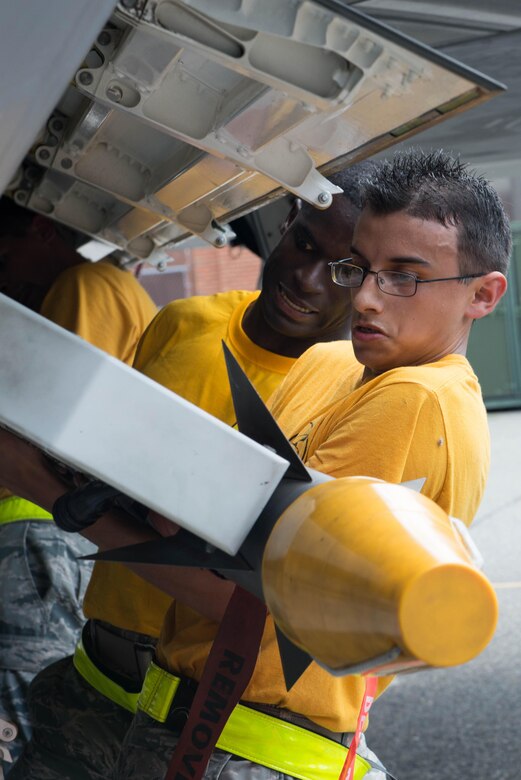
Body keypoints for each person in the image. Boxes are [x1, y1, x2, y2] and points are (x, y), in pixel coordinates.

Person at [107, 149, 509, 780]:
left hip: (252, 750)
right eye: (360, 268)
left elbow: (253, 599)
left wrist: (59, 494)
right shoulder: (331, 362)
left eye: (404, 276)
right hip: (177, 720)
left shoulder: (417, 398)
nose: (367, 299)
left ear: (482, 295)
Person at [4, 163, 373, 780]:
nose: (307, 279)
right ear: (285, 224)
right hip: (94, 675)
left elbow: (260, 594)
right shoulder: (184, 323)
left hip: (197, 715)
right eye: (305, 242)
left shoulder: (351, 392)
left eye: (343, 271)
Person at [0, 197, 157, 772]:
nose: (5, 273)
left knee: (23, 710)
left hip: (37, 523)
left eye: (5, 253)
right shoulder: (103, 286)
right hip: (51, 525)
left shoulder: (83, 284)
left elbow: (51, 427)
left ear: (42, 229)